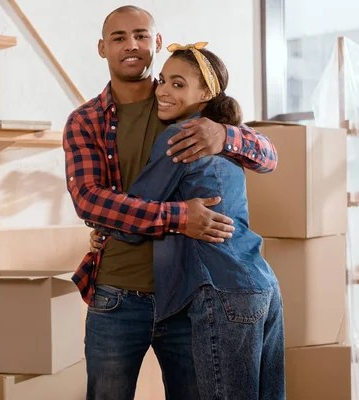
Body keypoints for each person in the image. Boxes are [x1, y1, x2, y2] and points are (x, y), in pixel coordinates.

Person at [62, 5, 279, 400]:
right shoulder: (86, 120)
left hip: (188, 297)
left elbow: (268, 155)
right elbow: (88, 200)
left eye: (142, 35)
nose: (131, 45)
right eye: (119, 37)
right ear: (102, 48)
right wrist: (178, 218)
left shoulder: (183, 106)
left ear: (156, 43)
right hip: (117, 295)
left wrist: (226, 136)